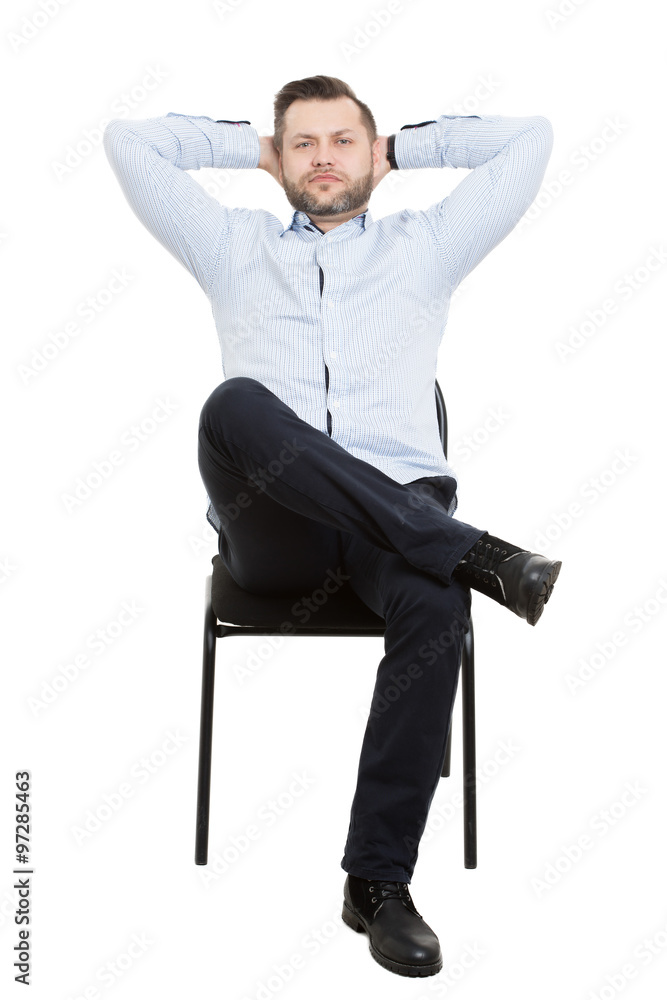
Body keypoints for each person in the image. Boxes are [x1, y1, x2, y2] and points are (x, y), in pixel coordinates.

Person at [103, 74, 561, 978]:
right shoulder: (230, 245)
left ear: (370, 151)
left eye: (342, 140)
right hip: (276, 530)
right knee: (236, 404)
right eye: (302, 142)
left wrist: (404, 151)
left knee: (434, 609)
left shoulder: (425, 245)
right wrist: (248, 147)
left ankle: (376, 885)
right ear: (279, 157)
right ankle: (477, 557)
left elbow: (530, 139)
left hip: (398, 522)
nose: (322, 157)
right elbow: (128, 141)